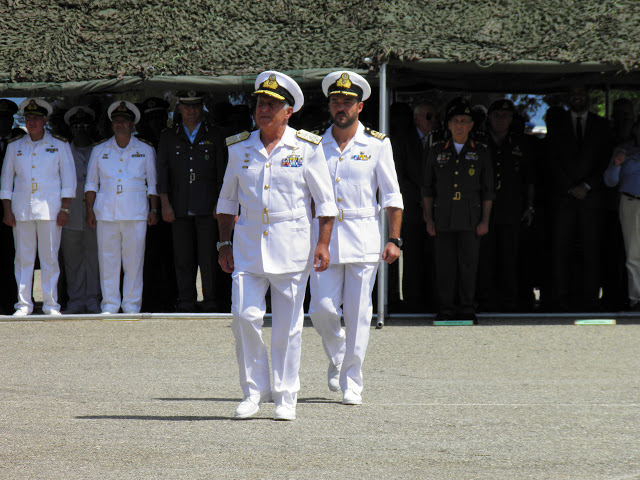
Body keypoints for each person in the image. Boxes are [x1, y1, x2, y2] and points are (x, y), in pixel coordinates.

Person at [216, 71, 337, 421]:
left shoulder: (308, 148)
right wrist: (224, 243)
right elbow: (227, 202)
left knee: (287, 325)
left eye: (272, 104)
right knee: (244, 317)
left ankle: (286, 395)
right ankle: (254, 392)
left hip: (292, 246)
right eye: (260, 103)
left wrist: (324, 244)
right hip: (248, 245)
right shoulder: (240, 148)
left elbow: (326, 204)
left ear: (288, 112)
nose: (264, 109)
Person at [309, 71, 403, 405]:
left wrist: (394, 239)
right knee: (321, 310)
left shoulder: (377, 144)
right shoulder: (314, 145)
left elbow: (392, 196)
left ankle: (352, 381)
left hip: (363, 236)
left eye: (347, 102)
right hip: (325, 239)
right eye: (336, 101)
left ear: (360, 106)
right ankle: (338, 356)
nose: (341, 107)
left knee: (360, 314)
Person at [0, 98, 76, 316]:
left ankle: (51, 304)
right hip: (21, 209)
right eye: (28, 118)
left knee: (50, 257)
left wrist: (65, 209)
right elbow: (6, 181)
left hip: (50, 210)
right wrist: (7, 209)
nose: (31, 122)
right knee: (23, 258)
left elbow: (69, 180)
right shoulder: (15, 146)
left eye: (36, 118)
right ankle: (23, 305)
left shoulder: (59, 145)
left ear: (45, 121)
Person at [422, 97, 494, 321]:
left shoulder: (481, 151)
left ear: (472, 125)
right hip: (443, 217)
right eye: (456, 120)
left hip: (470, 219)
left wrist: (485, 221)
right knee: (444, 266)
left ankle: (466, 307)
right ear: (449, 124)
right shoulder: (436, 150)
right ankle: (446, 308)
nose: (460, 125)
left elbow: (488, 191)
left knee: (468, 266)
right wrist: (428, 219)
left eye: (465, 121)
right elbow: (426, 189)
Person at [85, 100, 159, 314]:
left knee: (133, 262)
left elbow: (152, 183)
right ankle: (109, 304)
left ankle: (131, 305)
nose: (120, 125)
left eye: (124, 122)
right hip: (106, 212)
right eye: (116, 121)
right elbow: (91, 183)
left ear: (132, 125)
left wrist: (154, 209)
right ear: (112, 125)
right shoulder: (99, 150)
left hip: (135, 212)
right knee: (108, 261)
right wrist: (90, 210)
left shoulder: (145, 149)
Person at [156, 91, 227, 312]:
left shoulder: (215, 134)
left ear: (201, 108)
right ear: (179, 109)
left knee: (208, 256)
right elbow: (162, 172)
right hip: (179, 206)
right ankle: (186, 300)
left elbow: (222, 172)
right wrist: (165, 204)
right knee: (182, 256)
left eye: (196, 106)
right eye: (187, 106)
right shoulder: (169, 136)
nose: (191, 111)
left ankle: (210, 300)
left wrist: (220, 203)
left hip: (207, 205)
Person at [547, 86, 613, 311]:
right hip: (563, 198)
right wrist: (569, 187)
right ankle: (560, 299)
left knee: (591, 250)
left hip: (591, 198)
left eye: (582, 93)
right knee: (560, 250)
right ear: (568, 98)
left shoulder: (602, 124)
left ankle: (591, 299)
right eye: (573, 93)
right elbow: (551, 158)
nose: (577, 97)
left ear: (588, 97)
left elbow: (605, 159)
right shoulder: (556, 123)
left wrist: (587, 185)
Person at [476, 99, 535, 312]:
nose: (501, 120)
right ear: (489, 118)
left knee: (510, 257)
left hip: (512, 210)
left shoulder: (521, 143)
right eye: (497, 115)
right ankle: (486, 301)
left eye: (505, 116)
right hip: (484, 210)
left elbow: (529, 178)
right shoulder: (479, 141)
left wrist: (530, 206)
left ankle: (509, 302)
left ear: (511, 119)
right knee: (486, 257)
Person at [391, 101, 439, 312]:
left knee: (433, 256)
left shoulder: (438, 140)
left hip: (437, 209)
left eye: (435, 116)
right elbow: (398, 177)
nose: (433, 121)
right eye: (428, 116)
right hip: (412, 208)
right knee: (412, 257)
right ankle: (411, 301)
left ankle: (432, 298)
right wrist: (420, 198)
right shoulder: (403, 140)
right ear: (417, 118)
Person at [138, 96, 178, 313]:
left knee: (172, 254)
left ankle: (172, 297)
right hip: (144, 207)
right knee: (148, 255)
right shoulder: (139, 144)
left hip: (171, 205)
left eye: (160, 117)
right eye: (151, 118)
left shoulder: (172, 139)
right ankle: (150, 298)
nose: (156, 122)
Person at [60, 106, 101, 314]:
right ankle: (76, 300)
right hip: (71, 214)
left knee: (94, 259)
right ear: (71, 129)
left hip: (95, 214)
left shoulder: (100, 150)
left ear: (92, 127)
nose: (81, 130)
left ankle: (93, 300)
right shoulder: (63, 150)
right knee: (73, 259)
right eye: (76, 126)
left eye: (85, 125)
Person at [604, 116, 640, 310]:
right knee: (633, 253)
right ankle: (636, 298)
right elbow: (609, 180)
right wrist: (617, 163)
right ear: (635, 129)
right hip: (631, 201)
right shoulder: (625, 150)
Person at [0, 99, 19, 315]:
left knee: (18, 255)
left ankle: (17, 300)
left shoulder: (20, 141)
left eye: (6, 119)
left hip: (17, 208)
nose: (3, 123)